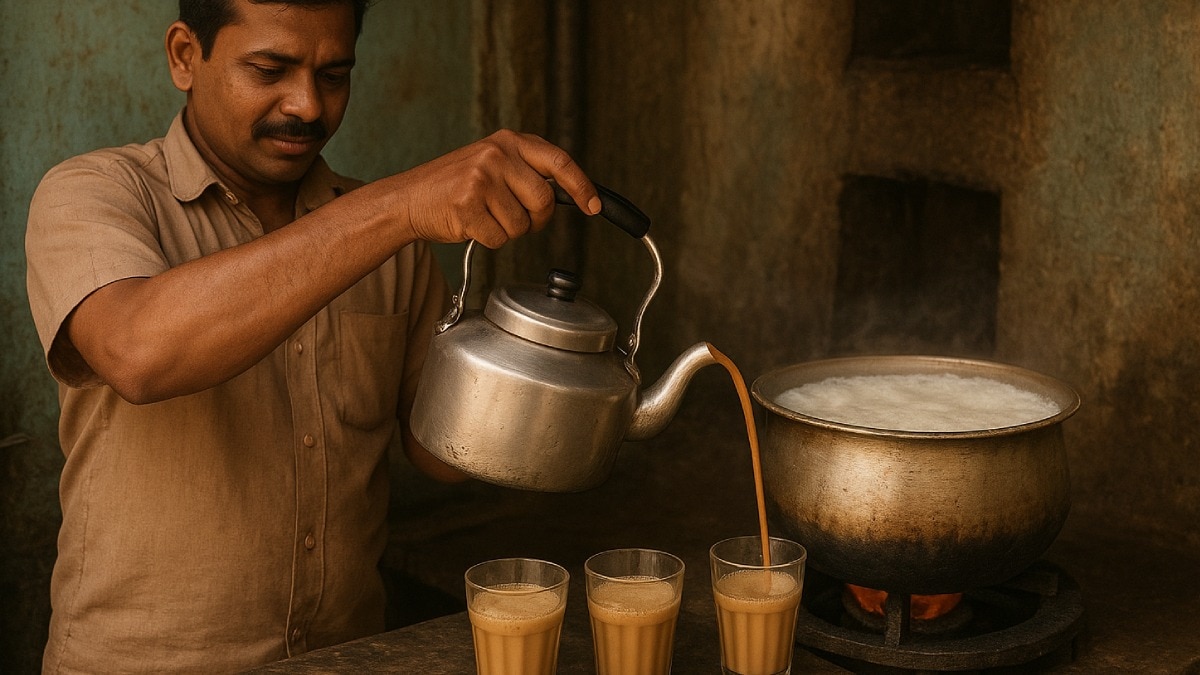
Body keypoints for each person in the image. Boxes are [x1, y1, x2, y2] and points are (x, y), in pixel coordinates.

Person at [24, 0, 600, 671]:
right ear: (185, 56)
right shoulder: (93, 193)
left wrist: (560, 382)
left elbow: (441, 449)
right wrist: (400, 203)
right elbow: (138, 353)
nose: (307, 105)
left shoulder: (391, 239)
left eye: (334, 75)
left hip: (349, 658)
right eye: (270, 70)